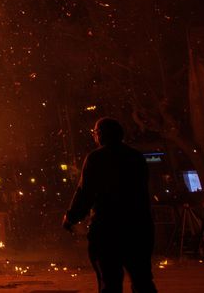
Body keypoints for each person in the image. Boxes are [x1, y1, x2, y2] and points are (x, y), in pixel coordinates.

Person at [62, 117, 157, 293]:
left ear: (100, 135)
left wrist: (71, 217)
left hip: (108, 229)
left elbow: (85, 192)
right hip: (138, 227)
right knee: (142, 279)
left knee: (110, 282)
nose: (94, 137)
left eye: (95, 133)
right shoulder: (135, 157)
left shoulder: (96, 158)